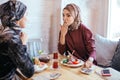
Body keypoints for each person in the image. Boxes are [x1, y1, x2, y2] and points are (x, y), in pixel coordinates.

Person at [0, 0, 34, 80]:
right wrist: (23, 44)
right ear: (18, 16)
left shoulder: (3, 31)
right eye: (25, 14)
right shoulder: (12, 38)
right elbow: (29, 71)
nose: (27, 19)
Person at [58, 3, 97, 68]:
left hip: (86, 65)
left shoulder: (84, 30)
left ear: (75, 16)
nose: (64, 18)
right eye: (63, 15)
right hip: (73, 64)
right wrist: (62, 35)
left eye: (68, 15)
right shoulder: (64, 29)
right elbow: (61, 52)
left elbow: (92, 50)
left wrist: (89, 61)